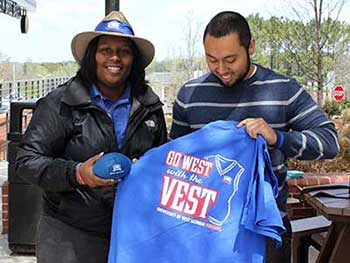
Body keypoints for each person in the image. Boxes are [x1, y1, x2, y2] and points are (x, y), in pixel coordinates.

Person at [169, 11, 339, 262]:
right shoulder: (189, 95)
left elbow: (330, 142)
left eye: (230, 59)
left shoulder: (284, 89)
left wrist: (278, 139)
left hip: (266, 231)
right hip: (204, 231)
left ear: (251, 46)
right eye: (211, 59)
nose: (221, 69)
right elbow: (175, 159)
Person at [15, 11, 167, 263]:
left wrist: (147, 168)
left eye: (124, 51)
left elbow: (164, 160)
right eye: (105, 49)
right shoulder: (61, 103)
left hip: (131, 232)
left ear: (134, 60)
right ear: (92, 56)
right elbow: (26, 161)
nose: (114, 57)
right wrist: (78, 173)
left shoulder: (150, 105)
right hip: (69, 233)